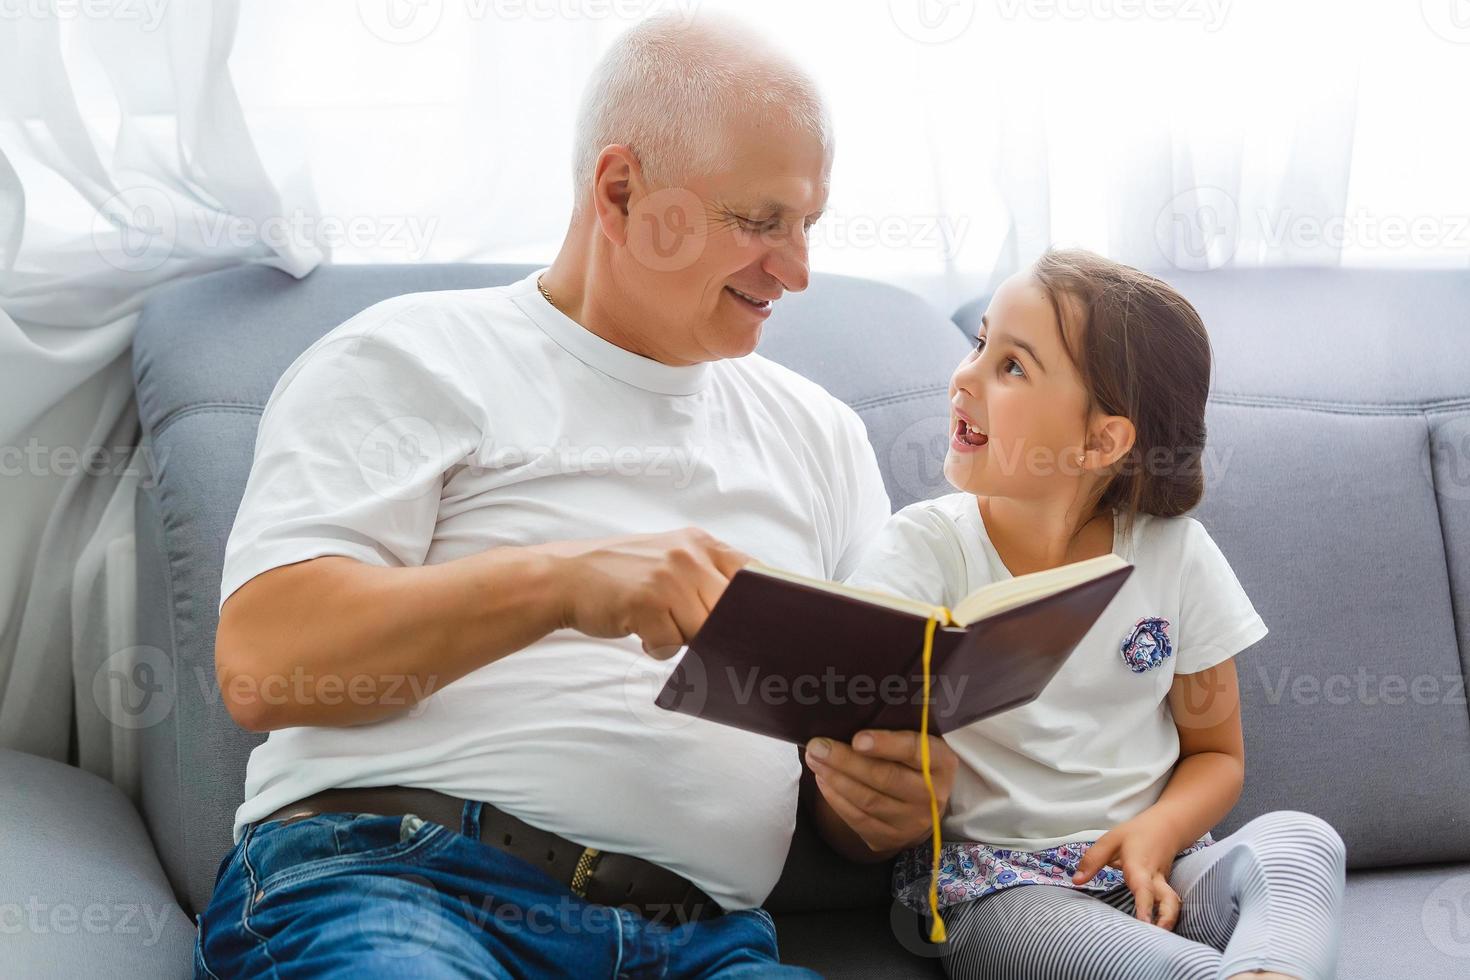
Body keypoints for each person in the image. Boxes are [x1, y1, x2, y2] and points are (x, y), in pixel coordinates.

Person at [194, 13, 956, 979]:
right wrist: (562, 582)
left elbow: (861, 744)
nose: (796, 270)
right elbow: (266, 663)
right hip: (401, 882)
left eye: (807, 225)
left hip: (704, 941)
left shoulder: (821, 436)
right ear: (621, 190)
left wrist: (880, 807)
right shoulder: (407, 355)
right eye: (760, 223)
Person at [842, 248, 1347, 979]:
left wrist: (1158, 831)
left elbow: (1217, 754)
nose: (964, 376)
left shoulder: (1173, 555)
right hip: (1004, 892)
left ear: (1101, 439)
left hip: (1162, 870)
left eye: (1011, 366)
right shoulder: (923, 550)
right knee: (1058, 933)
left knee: (1302, 840)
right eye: (980, 345)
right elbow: (846, 708)